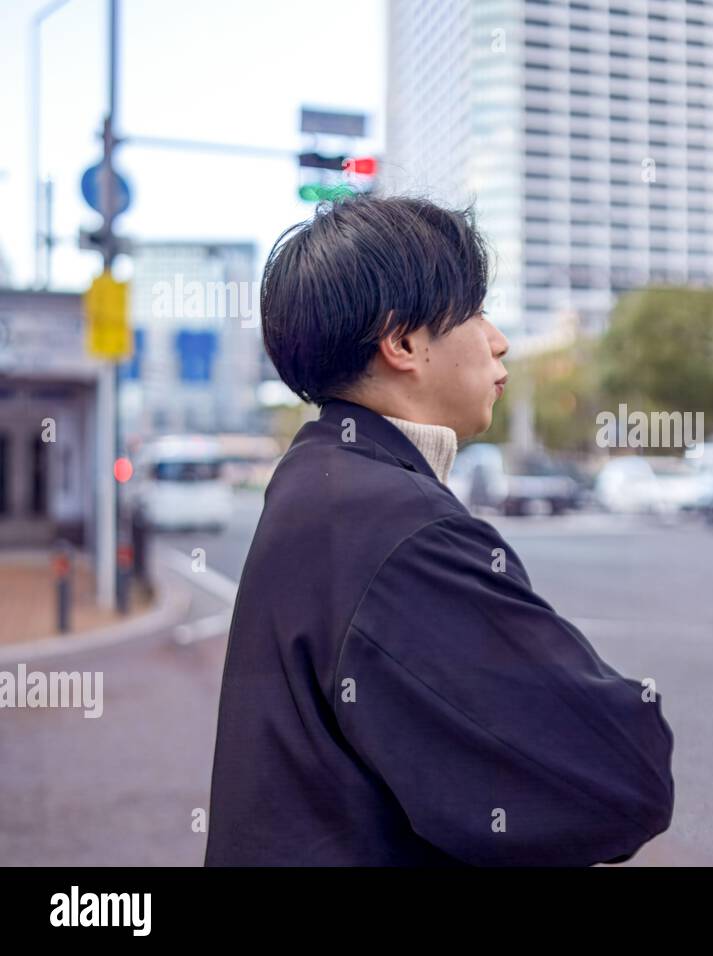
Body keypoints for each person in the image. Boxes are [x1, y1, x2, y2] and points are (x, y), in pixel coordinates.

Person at [204, 195, 674, 866]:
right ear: (401, 343)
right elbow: (623, 781)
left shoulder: (319, 478)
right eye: (476, 311)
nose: (499, 339)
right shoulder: (400, 527)